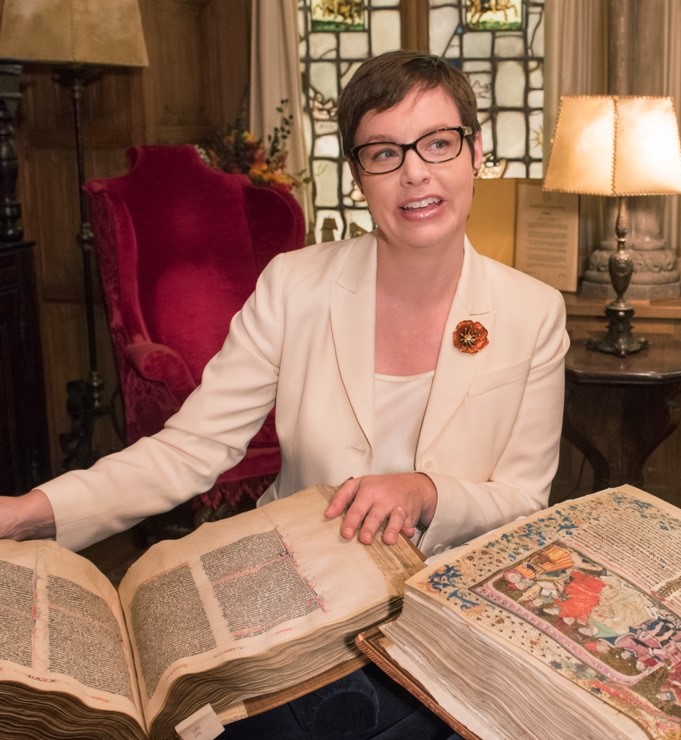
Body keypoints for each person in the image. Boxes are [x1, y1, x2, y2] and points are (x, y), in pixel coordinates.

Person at [0, 50, 568, 559]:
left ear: (475, 152)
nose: (415, 173)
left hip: (449, 595)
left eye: (438, 144)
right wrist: (29, 511)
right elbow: (191, 448)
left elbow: (521, 500)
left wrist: (425, 492)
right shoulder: (292, 285)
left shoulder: (534, 314)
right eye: (384, 153)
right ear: (357, 177)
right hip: (303, 576)